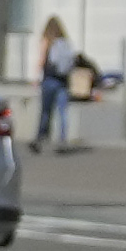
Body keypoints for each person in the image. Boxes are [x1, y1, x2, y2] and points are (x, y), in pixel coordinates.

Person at [35, 16, 80, 152]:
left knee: (46, 112)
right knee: (62, 112)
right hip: (63, 82)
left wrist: (37, 77)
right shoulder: (65, 43)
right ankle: (62, 139)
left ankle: (40, 138)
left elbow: (42, 61)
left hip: (49, 80)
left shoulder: (48, 41)